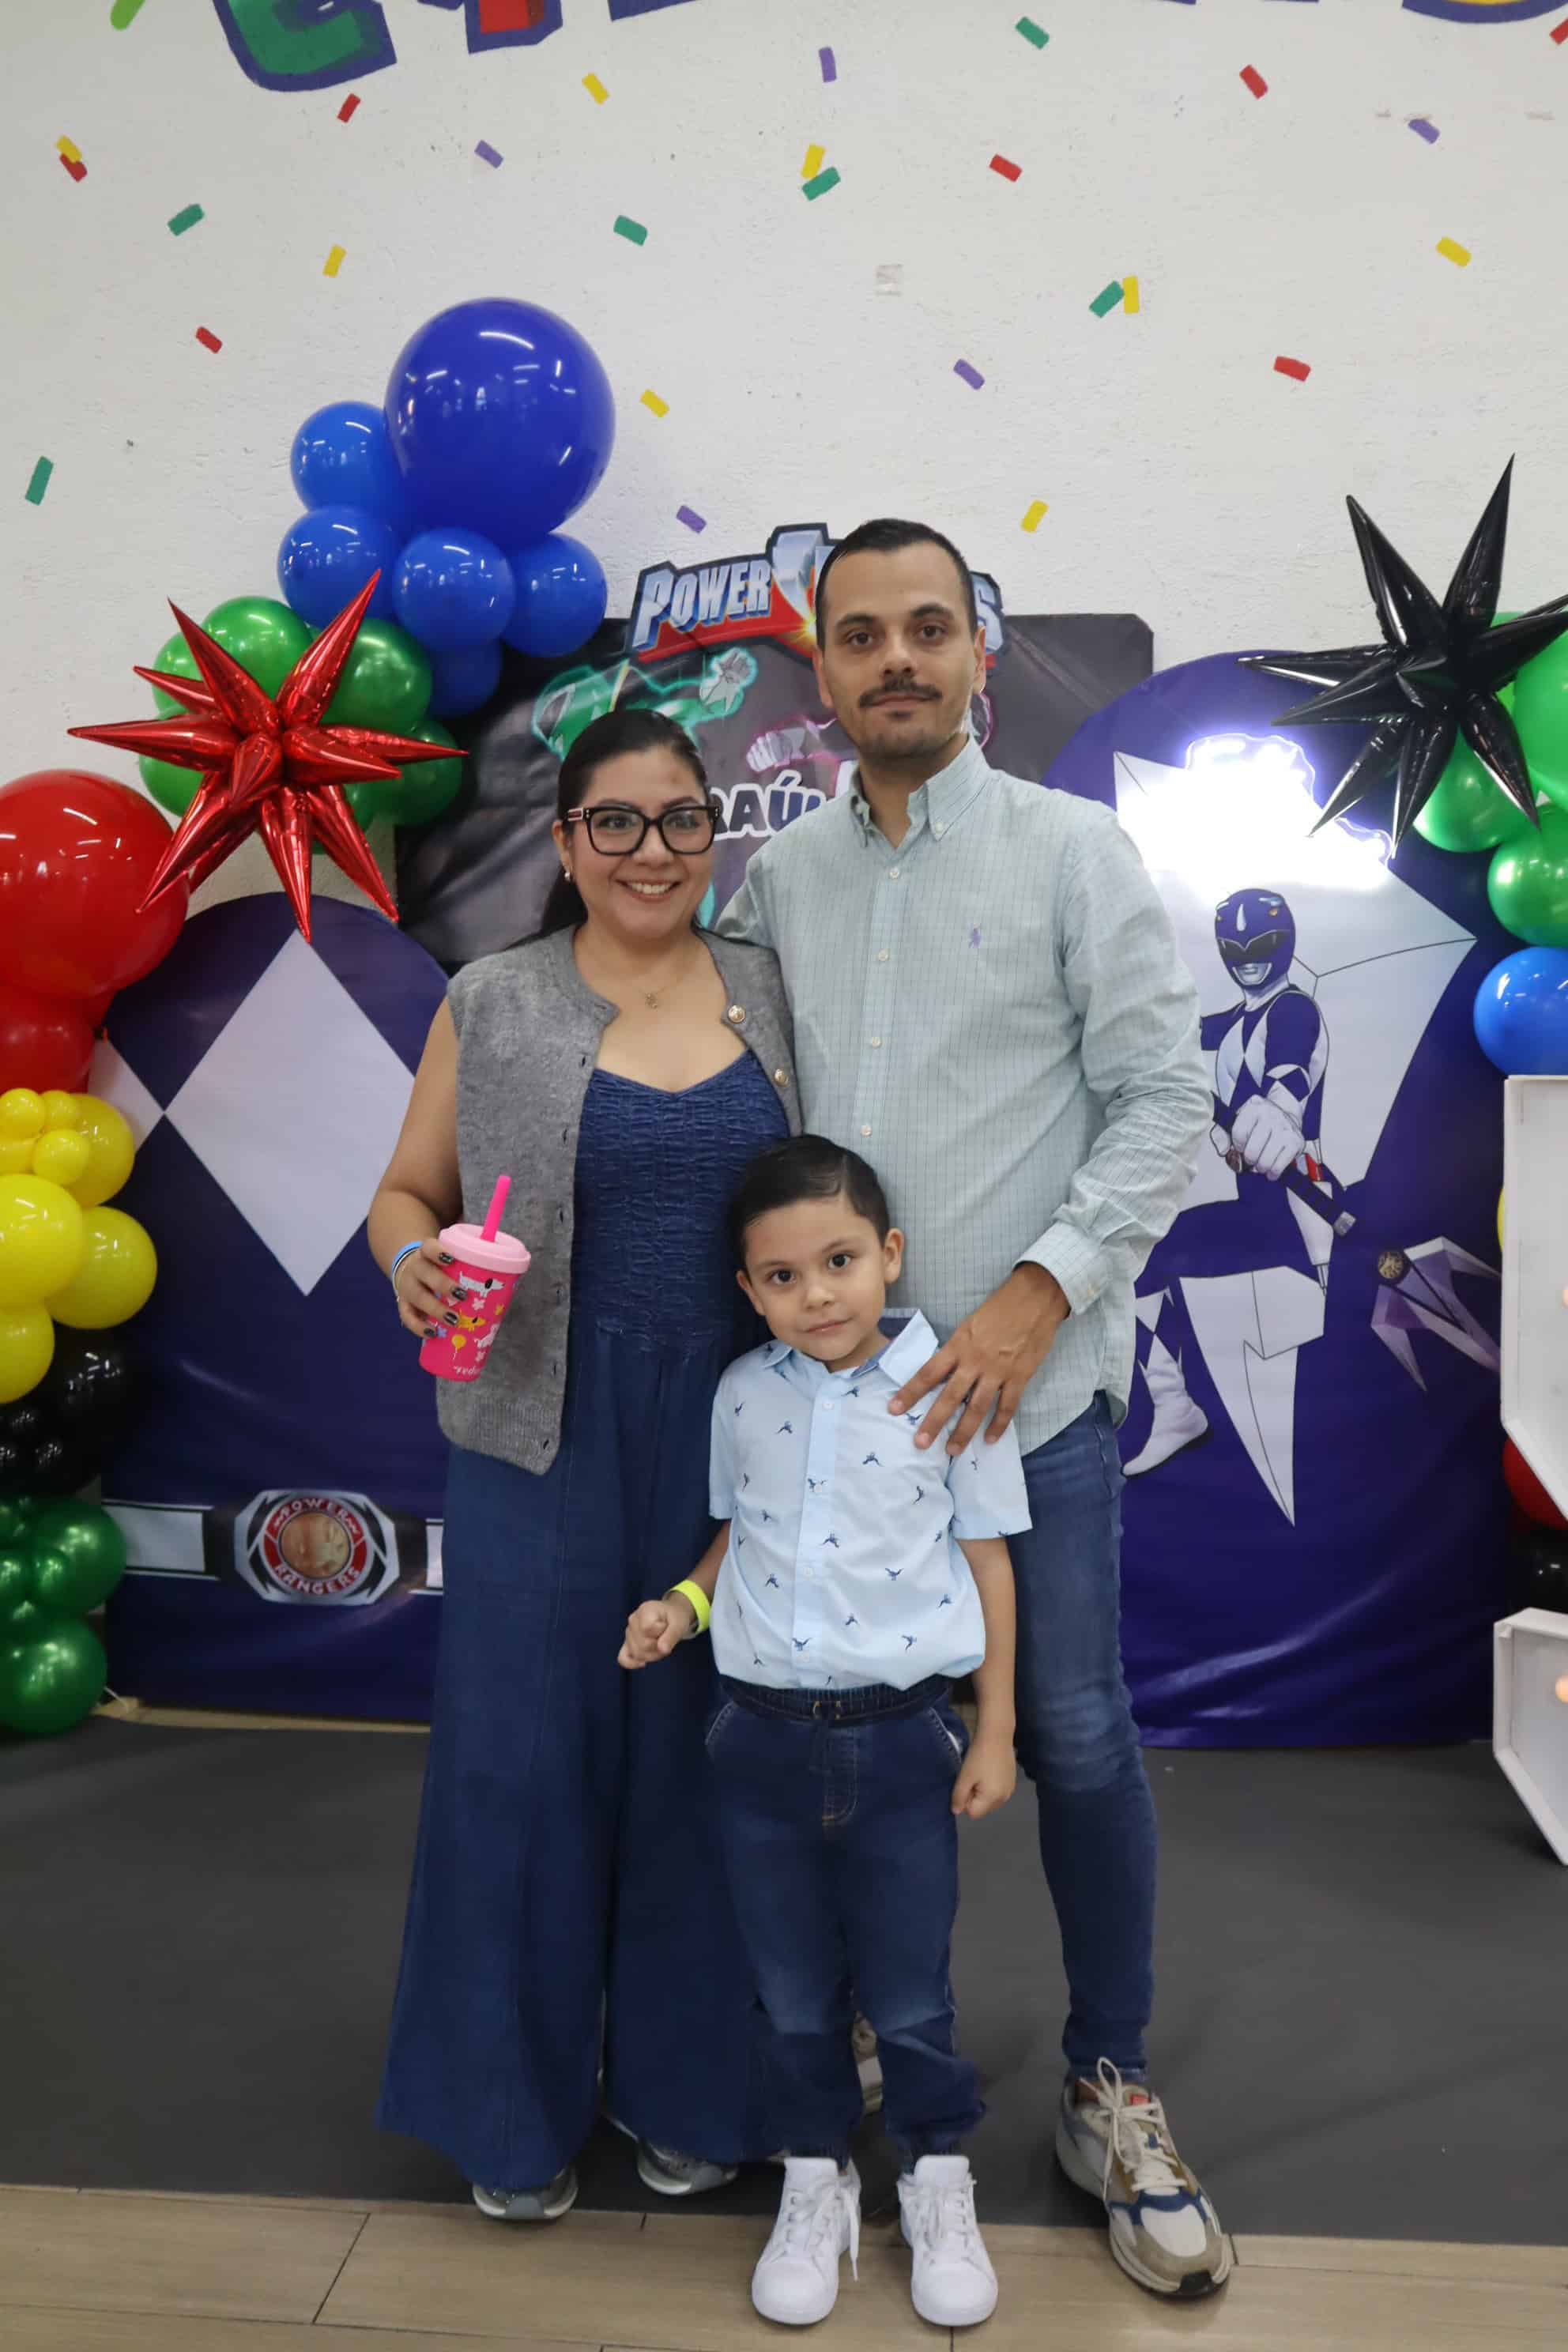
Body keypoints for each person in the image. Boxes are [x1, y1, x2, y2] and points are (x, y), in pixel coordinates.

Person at [718, 519, 1230, 2298]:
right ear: (821, 670)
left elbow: (1166, 1104)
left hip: (1027, 1400)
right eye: (861, 635)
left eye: (927, 627)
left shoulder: (1075, 854)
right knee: (834, 1750)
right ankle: (849, 2049)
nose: (897, 660)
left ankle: (1110, 2084)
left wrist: (1035, 1293)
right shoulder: (778, 881)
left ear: (977, 654)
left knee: (1072, 1735)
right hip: (825, 1427)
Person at [368, 708, 798, 2220]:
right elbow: (406, 1192)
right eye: (614, 822)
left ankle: (695, 2088)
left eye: (679, 819)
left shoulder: (773, 989)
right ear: (565, 843)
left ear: (713, 834)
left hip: (738, 1440)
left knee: (711, 1761)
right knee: (526, 1763)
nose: (649, 851)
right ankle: (511, 2108)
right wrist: (412, 1263)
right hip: (535, 1435)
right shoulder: (493, 998)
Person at [620, 1136, 1024, 2329]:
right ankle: (814, 2177)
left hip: (902, 1742)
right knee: (791, 1993)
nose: (818, 1296)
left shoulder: (951, 1386)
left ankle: (937, 2176)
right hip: (756, 1742)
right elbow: (736, 1537)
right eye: (784, 1277)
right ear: (749, 1292)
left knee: (911, 1995)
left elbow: (991, 1564)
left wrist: (996, 1729)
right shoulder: (743, 1393)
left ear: (889, 1253)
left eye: (840, 1261)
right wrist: (682, 1607)